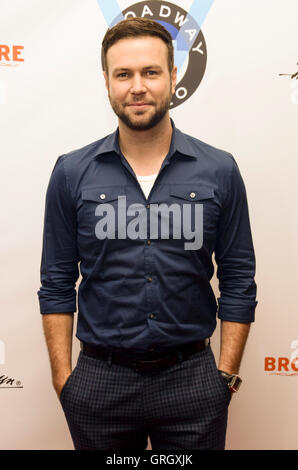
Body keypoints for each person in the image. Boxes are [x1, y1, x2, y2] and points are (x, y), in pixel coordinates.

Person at [37, 17, 257, 450]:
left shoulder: (219, 170)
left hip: (192, 380)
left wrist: (224, 377)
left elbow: (238, 278)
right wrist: (65, 381)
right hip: (100, 384)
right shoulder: (71, 173)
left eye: (150, 72)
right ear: (107, 82)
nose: (137, 87)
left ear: (173, 77)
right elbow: (57, 282)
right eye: (124, 74)